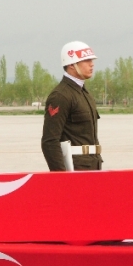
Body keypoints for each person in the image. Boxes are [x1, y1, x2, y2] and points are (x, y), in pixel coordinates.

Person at [41, 41, 102, 171]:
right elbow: (50, 141)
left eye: (91, 60)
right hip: (74, 170)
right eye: (86, 60)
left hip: (93, 167)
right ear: (71, 65)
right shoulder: (60, 96)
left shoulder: (85, 93)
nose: (92, 64)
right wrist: (62, 178)